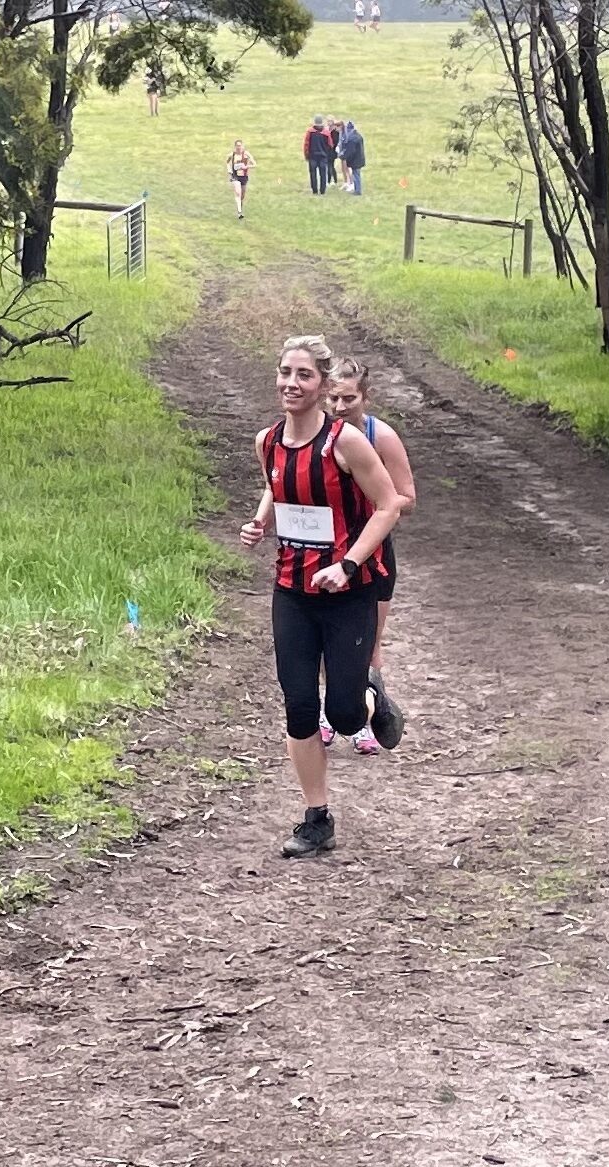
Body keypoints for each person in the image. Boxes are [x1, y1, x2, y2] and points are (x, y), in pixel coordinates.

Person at [237, 337, 404, 858]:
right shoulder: (266, 440)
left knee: (347, 715)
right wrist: (261, 520)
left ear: (323, 385)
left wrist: (349, 563)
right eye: (285, 372)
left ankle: (371, 695)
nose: (292, 383)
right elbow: (278, 482)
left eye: (304, 375)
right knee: (299, 705)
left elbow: (389, 505)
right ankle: (316, 818)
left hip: (349, 591)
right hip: (292, 590)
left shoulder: (346, 442)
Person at [323, 361, 415, 754]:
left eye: (349, 398)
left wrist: (374, 500)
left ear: (366, 397)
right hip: (325, 551)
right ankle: (332, 712)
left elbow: (406, 499)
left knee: (368, 642)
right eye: (333, 398)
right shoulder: (314, 433)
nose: (340, 406)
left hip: (372, 554)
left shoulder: (381, 436)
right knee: (326, 638)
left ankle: (365, 716)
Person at [304, 116, 334, 196]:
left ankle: (314, 191)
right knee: (323, 174)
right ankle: (322, 191)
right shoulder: (326, 133)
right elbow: (330, 145)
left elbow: (306, 144)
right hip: (323, 157)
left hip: (312, 156)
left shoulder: (310, 132)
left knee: (313, 174)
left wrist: (307, 155)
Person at [227, 139, 254, 218]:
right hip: (235, 176)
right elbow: (227, 162)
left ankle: (240, 210)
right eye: (237, 146)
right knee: (238, 193)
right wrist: (229, 170)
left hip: (244, 177)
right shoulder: (232, 155)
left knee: (242, 196)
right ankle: (239, 212)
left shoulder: (246, 154)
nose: (239, 147)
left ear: (242, 146)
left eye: (240, 146)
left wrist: (246, 166)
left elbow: (254, 164)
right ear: (235, 146)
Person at [340, 118, 367, 195]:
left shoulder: (352, 139)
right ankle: (357, 189)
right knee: (357, 174)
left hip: (355, 160)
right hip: (360, 158)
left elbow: (350, 151)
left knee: (355, 175)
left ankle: (357, 190)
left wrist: (343, 156)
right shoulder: (358, 136)